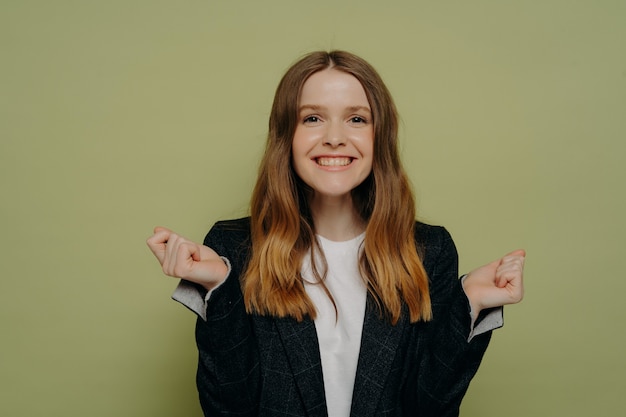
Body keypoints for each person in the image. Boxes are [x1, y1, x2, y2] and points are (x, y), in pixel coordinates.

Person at [146, 50, 525, 417]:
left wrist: (469, 305)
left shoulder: (429, 251)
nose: (334, 137)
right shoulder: (233, 249)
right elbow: (228, 409)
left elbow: (429, 408)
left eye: (357, 119)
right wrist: (219, 289)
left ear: (380, 137)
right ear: (286, 136)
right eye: (312, 118)